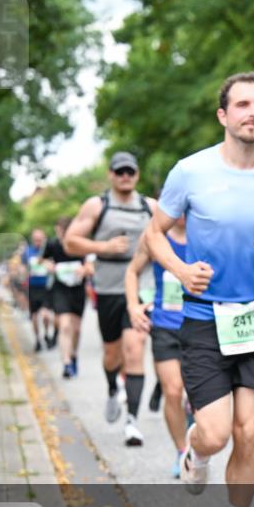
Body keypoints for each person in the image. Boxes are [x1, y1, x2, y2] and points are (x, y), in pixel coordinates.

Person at [145, 72, 254, 507]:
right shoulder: (190, 171)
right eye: (242, 104)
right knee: (216, 434)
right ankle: (196, 454)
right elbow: (154, 233)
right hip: (205, 318)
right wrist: (180, 269)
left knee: (249, 431)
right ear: (223, 115)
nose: (252, 113)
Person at [65, 152, 155, 446]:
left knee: (135, 347)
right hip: (108, 288)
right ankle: (113, 389)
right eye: (120, 172)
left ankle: (132, 422)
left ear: (137, 174)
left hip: (141, 288)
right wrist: (103, 247)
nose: (125, 176)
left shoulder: (150, 207)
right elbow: (70, 241)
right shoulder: (97, 205)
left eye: (130, 171)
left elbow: (173, 236)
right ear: (111, 175)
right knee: (112, 354)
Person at [125, 215, 189, 476]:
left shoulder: (206, 231)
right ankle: (182, 452)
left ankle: (197, 440)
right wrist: (133, 306)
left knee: (197, 397)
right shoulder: (154, 237)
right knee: (173, 391)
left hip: (201, 325)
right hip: (164, 325)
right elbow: (132, 271)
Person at [44, 217, 91, 378]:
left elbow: (91, 263)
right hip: (60, 288)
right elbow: (43, 260)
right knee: (64, 325)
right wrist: (49, 266)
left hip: (78, 289)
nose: (62, 236)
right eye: (59, 232)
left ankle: (73, 355)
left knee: (76, 329)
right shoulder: (52, 244)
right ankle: (66, 363)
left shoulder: (81, 243)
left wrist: (84, 270)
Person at [22, 228, 56, 352]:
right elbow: (23, 268)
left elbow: (54, 265)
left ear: (44, 239)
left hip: (46, 286)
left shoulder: (50, 250)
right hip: (33, 287)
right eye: (35, 240)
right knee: (35, 316)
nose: (38, 242)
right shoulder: (28, 252)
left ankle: (46, 334)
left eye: (40, 240)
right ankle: (37, 339)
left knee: (46, 314)